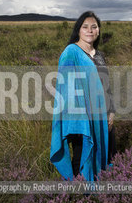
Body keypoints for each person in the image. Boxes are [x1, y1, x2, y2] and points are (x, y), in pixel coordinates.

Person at [50, 11, 117, 182]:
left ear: (99, 30)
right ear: (78, 30)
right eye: (85, 27)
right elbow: (64, 89)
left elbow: (107, 86)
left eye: (94, 27)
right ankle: (77, 198)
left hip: (103, 115)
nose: (90, 30)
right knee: (82, 157)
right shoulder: (71, 52)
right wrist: (80, 120)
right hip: (80, 118)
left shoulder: (100, 55)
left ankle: (99, 198)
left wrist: (111, 112)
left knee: (107, 154)